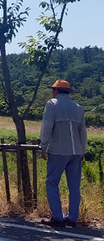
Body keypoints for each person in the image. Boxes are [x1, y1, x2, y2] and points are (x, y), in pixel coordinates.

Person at [40, 79, 87, 228]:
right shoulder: (78, 107)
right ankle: (72, 218)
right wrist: (83, 150)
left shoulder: (52, 104)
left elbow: (47, 126)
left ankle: (58, 217)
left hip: (59, 151)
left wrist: (43, 146)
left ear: (56, 91)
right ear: (68, 92)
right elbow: (83, 132)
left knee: (52, 182)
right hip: (76, 152)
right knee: (74, 186)